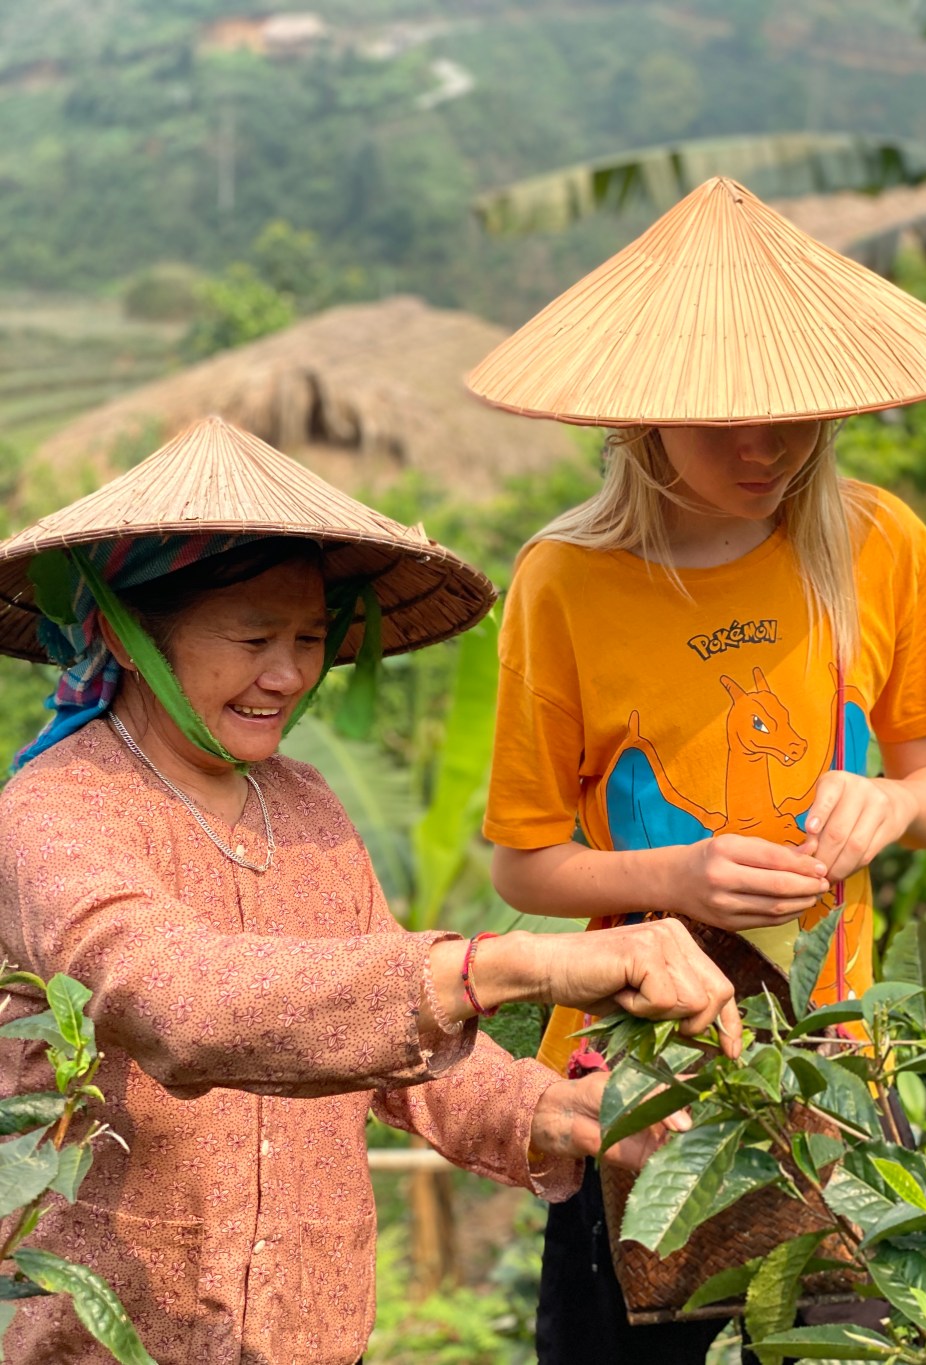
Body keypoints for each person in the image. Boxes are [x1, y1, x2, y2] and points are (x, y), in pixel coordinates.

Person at [0, 416, 742, 1365]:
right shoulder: (60, 808)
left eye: (310, 636)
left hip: (316, 1336)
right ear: (130, 631)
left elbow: (395, 1049)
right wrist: (516, 966)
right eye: (253, 636)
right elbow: (169, 999)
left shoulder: (307, 807)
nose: (289, 672)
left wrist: (559, 1114)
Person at [465, 177, 926, 1362]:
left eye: (787, 420)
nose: (761, 452)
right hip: (642, 1078)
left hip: (838, 1061)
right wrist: (684, 879)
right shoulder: (567, 582)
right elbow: (525, 865)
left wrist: (890, 800)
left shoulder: (880, 542)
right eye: (719, 424)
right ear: (642, 418)